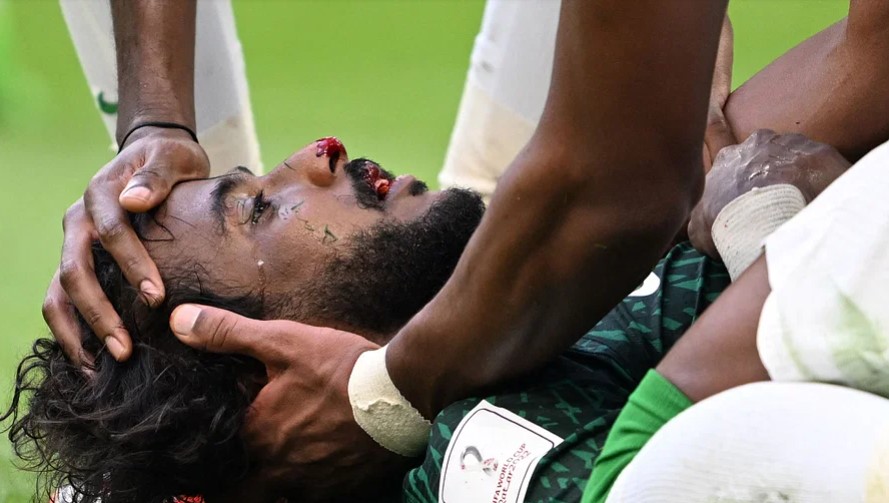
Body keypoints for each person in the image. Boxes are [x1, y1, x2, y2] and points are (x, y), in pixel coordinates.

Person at [45, 2, 729, 498]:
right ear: (267, 383)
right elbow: (620, 182)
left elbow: (618, 180)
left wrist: (389, 388)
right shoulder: (485, 459)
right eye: (260, 206)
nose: (321, 148)